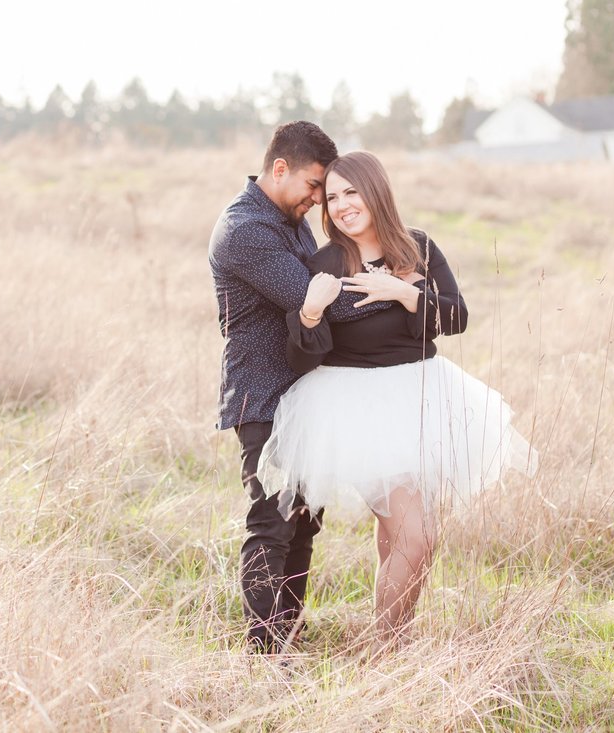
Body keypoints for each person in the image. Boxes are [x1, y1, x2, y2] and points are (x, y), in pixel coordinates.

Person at [257, 150, 538, 642]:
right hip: (358, 408)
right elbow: (302, 358)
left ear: (377, 192)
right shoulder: (323, 264)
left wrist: (403, 292)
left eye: (353, 192)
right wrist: (309, 313)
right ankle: (385, 649)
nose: (343, 206)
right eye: (334, 196)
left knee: (397, 535)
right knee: (418, 534)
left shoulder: (419, 247)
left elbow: (456, 317)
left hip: (423, 395)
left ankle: (393, 642)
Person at [208, 123, 394, 653]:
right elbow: (321, 299)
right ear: (280, 169)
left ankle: (285, 632)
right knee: (272, 524)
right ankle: (263, 654)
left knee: (305, 522)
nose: (320, 200)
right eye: (315, 186)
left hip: (306, 392)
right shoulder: (245, 230)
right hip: (263, 395)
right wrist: (401, 291)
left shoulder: (290, 220)